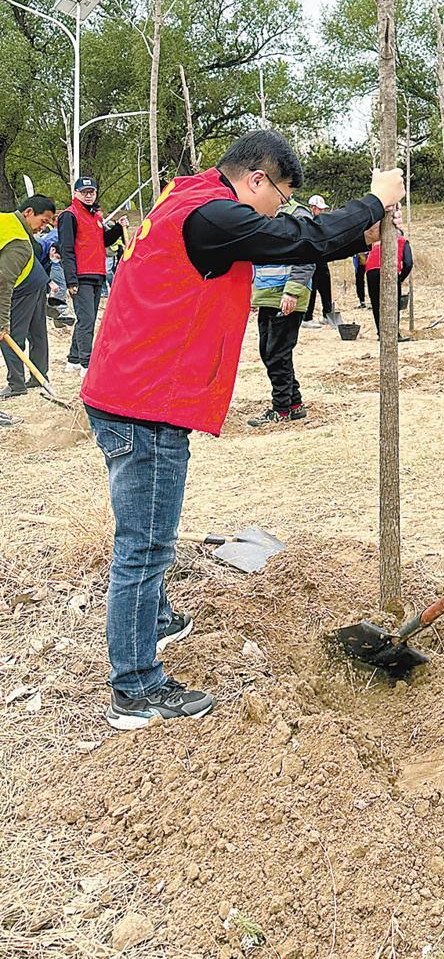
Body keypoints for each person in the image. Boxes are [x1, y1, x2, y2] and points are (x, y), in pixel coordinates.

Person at [80, 129, 404, 730]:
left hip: (132, 392)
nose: (280, 206)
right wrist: (376, 201)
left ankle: (154, 620)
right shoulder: (210, 214)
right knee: (144, 547)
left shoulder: (188, 201)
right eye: (280, 193)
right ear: (256, 180)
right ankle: (134, 687)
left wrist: (355, 232)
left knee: (147, 533)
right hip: (144, 403)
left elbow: (293, 242)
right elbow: (297, 238)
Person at [249, 195, 315, 427]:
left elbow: (308, 254)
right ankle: (294, 403)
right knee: (271, 352)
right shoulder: (262, 211)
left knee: (277, 352)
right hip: (268, 295)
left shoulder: (297, 214)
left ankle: (281, 409)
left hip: (286, 295)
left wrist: (293, 291)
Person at [57, 177, 126, 375]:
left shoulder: (95, 216)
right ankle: (87, 364)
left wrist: (118, 228)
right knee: (86, 320)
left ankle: (73, 359)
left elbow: (104, 241)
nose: (88, 195)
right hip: (81, 275)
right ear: (76, 193)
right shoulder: (70, 215)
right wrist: (71, 279)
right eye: (84, 192)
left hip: (97, 274)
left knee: (87, 318)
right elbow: (66, 249)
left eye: (91, 192)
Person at [0, 196, 57, 399]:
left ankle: (17, 384)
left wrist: (2, 320)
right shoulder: (8, 224)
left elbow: (4, 283)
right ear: (29, 212)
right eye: (43, 221)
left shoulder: (18, 242)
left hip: (25, 286)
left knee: (10, 334)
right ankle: (38, 375)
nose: (42, 228)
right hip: (36, 280)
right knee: (36, 332)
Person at [365, 217, 413, 339]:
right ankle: (394, 334)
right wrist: (401, 278)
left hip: (370, 270)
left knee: (376, 302)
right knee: (393, 302)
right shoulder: (402, 241)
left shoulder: (377, 243)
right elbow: (408, 263)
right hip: (388, 269)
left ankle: (381, 333)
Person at [303, 194, 336, 327]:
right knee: (312, 287)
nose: (322, 211)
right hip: (311, 260)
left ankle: (327, 314)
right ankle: (307, 317)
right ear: (312, 207)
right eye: (319, 209)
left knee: (325, 286)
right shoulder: (307, 221)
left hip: (322, 259)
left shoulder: (321, 222)